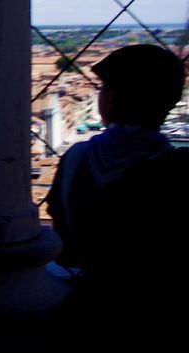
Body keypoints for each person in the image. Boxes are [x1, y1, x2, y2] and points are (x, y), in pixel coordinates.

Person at [45, 42, 186, 324]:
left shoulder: (76, 158)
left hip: (93, 306)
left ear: (109, 97)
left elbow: (65, 250)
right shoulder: (178, 167)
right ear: (169, 102)